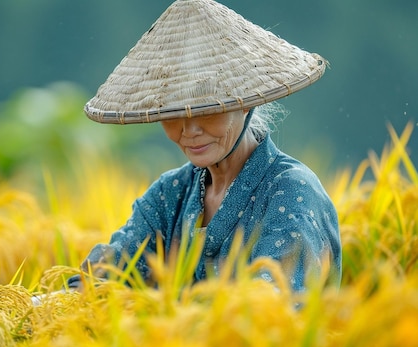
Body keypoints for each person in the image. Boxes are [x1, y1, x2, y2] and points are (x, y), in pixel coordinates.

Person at [67, 0, 342, 293]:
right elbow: (102, 277)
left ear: (245, 103)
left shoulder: (291, 190)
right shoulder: (170, 193)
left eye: (207, 110)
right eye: (173, 114)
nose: (190, 131)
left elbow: (267, 308)